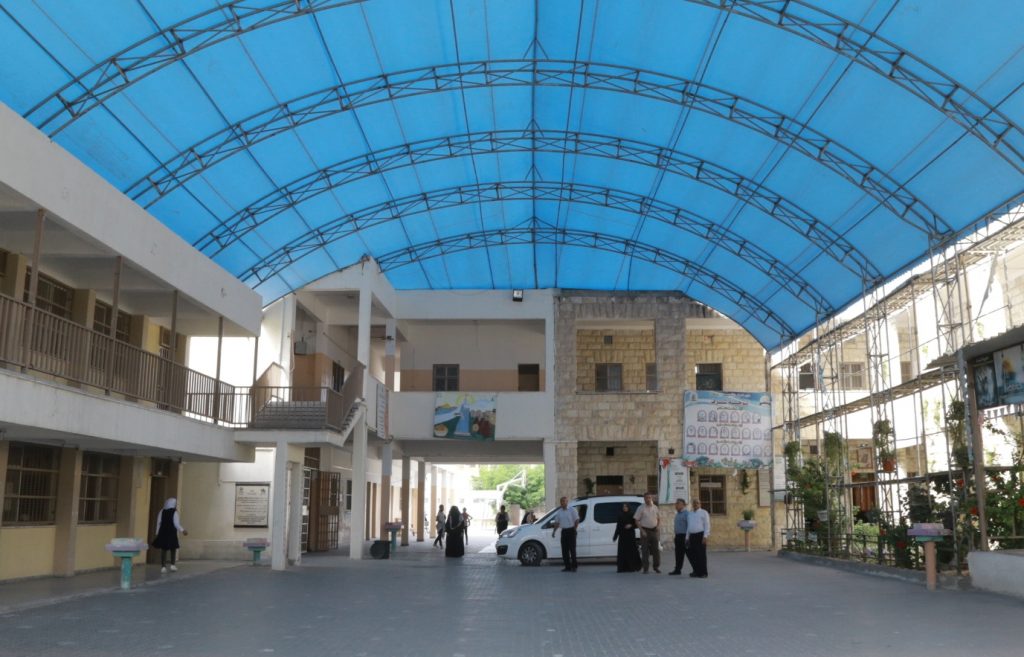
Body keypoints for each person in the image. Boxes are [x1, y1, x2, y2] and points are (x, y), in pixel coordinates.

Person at [152, 497, 187, 573]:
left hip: (163, 532)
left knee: (163, 549)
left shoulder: (162, 511)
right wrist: (183, 530)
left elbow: (158, 522)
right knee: (173, 548)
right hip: (171, 532)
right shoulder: (174, 512)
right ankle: (172, 565)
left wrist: (157, 533)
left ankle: (163, 567)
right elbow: (176, 524)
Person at [633, 492, 661, 573]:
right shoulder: (640, 508)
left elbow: (659, 518)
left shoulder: (655, 507)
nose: (648, 499)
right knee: (645, 550)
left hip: (654, 530)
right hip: (645, 531)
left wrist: (658, 526)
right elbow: (636, 520)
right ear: (644, 499)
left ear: (651, 498)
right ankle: (645, 568)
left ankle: (656, 567)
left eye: (649, 497)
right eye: (646, 498)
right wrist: (642, 531)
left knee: (656, 550)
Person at [551, 496, 579, 572]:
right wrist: (554, 531)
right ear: (560, 503)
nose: (563, 503)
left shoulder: (572, 510)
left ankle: (574, 566)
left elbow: (577, 520)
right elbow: (557, 523)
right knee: (564, 550)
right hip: (564, 531)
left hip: (571, 530)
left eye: (564, 501)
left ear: (567, 502)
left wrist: (574, 529)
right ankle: (567, 566)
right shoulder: (559, 512)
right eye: (562, 501)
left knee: (572, 549)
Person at [612, 502, 642, 572]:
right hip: (622, 536)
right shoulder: (620, 515)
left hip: (630, 536)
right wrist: (615, 536)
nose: (624, 508)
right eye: (623, 507)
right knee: (622, 552)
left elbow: (636, 524)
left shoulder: (632, 514)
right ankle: (622, 568)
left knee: (631, 551)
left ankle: (632, 567)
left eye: (626, 506)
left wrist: (631, 525)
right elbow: (618, 527)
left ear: (628, 507)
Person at [686, 498, 711, 578]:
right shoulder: (690, 514)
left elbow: (707, 525)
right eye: (694, 503)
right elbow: (688, 526)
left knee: (701, 555)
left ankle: (703, 573)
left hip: (700, 536)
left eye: (697, 503)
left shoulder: (704, 513)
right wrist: (687, 537)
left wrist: (705, 536)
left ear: (700, 504)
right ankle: (696, 571)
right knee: (693, 555)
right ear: (692, 504)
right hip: (692, 536)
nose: (695, 504)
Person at [668, 498, 689, 576]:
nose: (676, 505)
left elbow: (689, 526)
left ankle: (696, 569)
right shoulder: (677, 514)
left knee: (690, 554)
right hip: (678, 536)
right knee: (678, 554)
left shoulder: (687, 514)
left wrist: (687, 538)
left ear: (683, 505)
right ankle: (677, 570)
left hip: (685, 536)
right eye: (676, 503)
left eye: (678, 504)